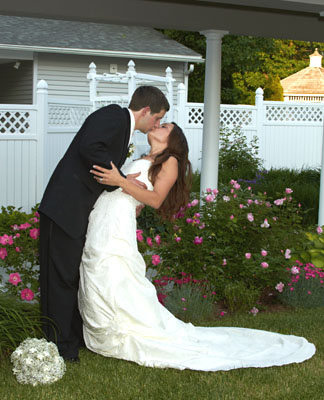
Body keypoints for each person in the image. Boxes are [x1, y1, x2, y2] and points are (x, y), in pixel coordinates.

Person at [78, 122, 316, 371]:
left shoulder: (170, 161)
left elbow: (157, 199)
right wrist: (124, 186)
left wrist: (120, 181)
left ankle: (123, 332)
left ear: (174, 139)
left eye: (165, 126)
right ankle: (104, 332)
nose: (158, 125)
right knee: (101, 270)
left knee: (113, 270)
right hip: (105, 217)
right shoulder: (146, 157)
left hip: (116, 224)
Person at [38, 85, 170, 362]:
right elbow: (90, 147)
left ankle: (71, 338)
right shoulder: (113, 115)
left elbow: (97, 160)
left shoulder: (123, 128)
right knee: (58, 280)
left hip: (76, 214)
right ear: (145, 111)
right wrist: (120, 177)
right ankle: (58, 346)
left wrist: (122, 185)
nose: (157, 124)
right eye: (157, 118)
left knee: (69, 278)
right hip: (63, 210)